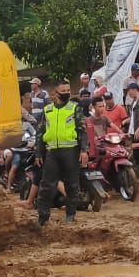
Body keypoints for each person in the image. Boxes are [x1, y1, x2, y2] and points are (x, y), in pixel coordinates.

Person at [35, 79, 89, 227]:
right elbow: (40, 133)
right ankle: (43, 217)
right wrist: (38, 153)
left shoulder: (74, 108)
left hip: (70, 151)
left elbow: (82, 130)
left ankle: (70, 215)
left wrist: (84, 150)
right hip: (52, 152)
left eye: (68, 91)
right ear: (55, 93)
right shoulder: (47, 110)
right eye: (63, 91)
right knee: (47, 185)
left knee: (72, 185)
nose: (66, 93)